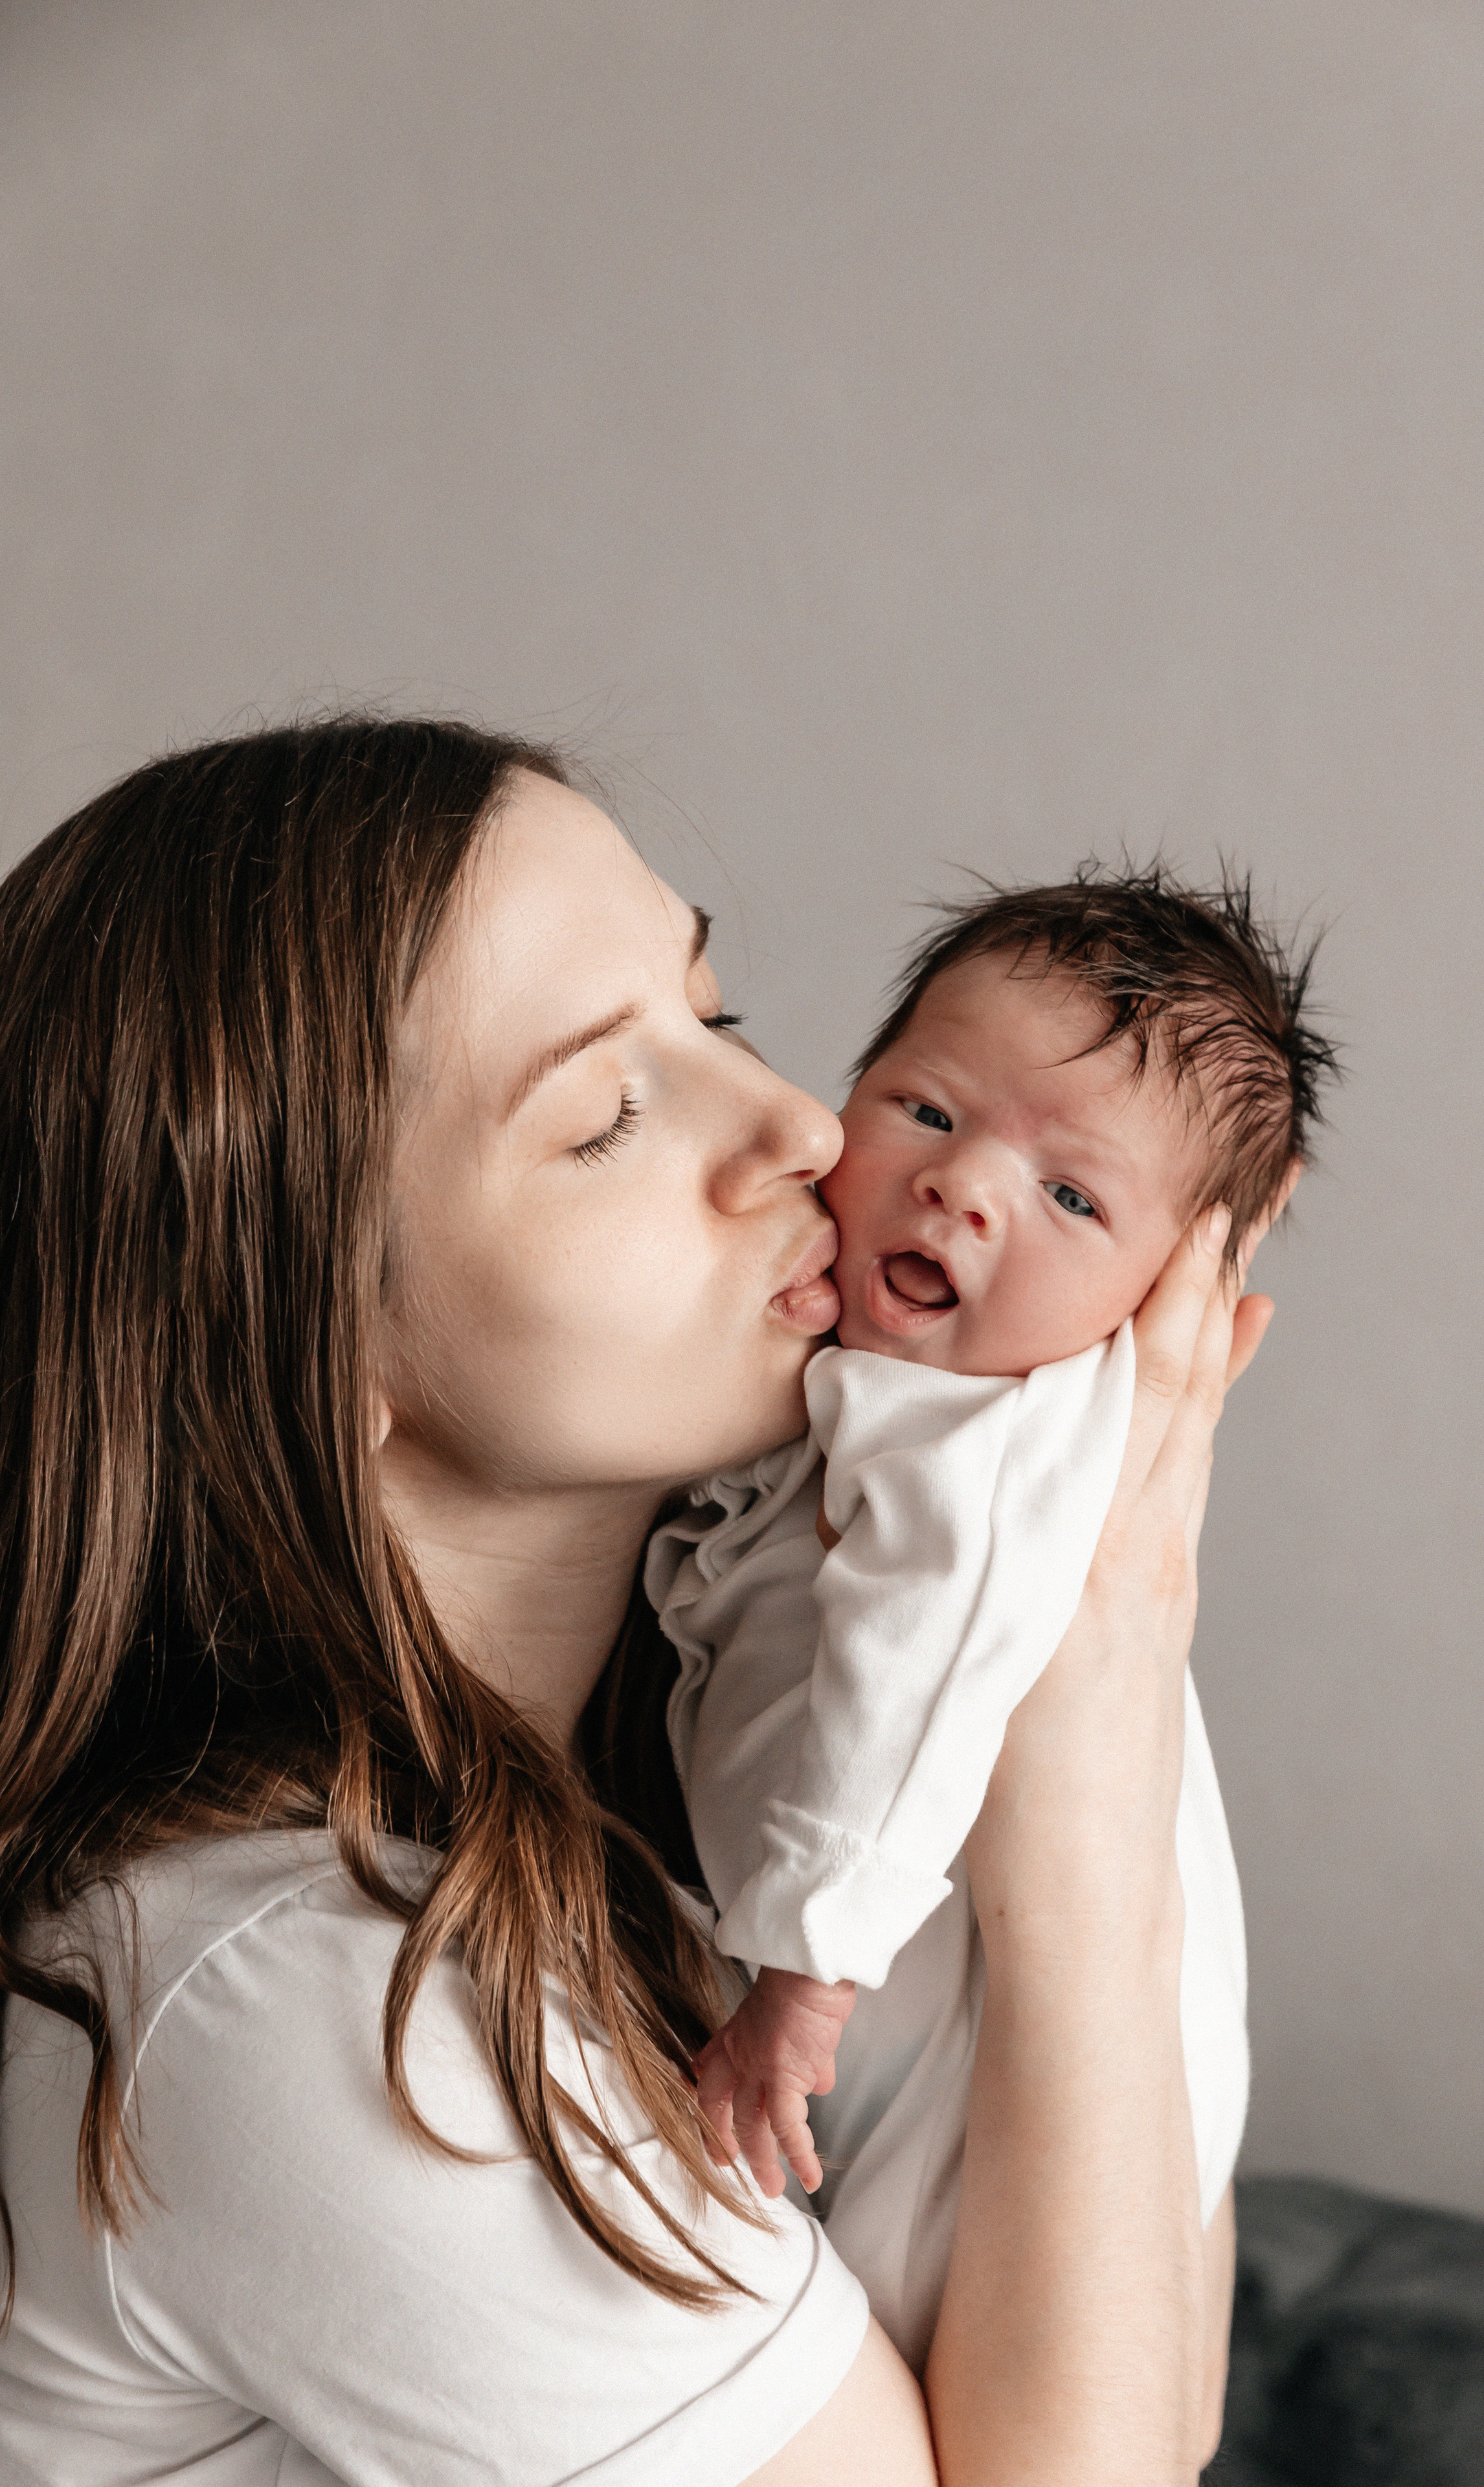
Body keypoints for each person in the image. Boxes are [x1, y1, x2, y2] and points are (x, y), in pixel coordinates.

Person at [0, 716, 1276, 2486]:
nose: (797, 1124)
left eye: (720, 1013)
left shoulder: (700, 1715)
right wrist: (1095, 1707)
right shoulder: (311, 2009)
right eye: (608, 1113)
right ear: (302, 1339)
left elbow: (1153, 2385)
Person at [651, 869, 1329, 2365]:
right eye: (927, 1111)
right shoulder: (883, 1390)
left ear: (1171, 1294)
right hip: (930, 1983)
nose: (964, 1188)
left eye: (1071, 1197)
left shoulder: (990, 1444)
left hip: (948, 2030)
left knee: (908, 2316)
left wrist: (803, 1980)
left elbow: (917, 1676)